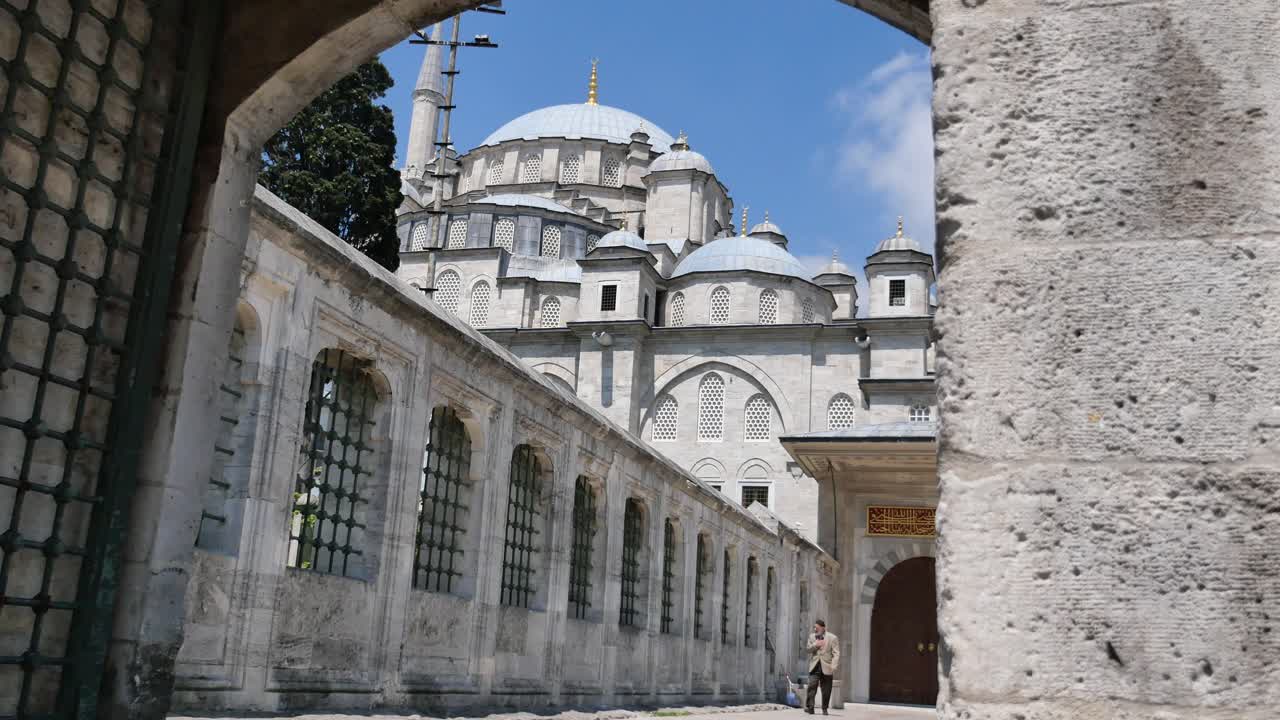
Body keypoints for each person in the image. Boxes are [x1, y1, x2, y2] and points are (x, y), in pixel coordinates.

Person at [804, 619, 840, 715]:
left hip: (827, 666)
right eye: (814, 627)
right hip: (814, 666)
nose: (815, 629)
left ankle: (824, 708)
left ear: (823, 628)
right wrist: (815, 645)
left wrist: (834, 665)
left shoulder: (832, 638)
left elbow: (836, 653)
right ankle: (810, 707)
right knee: (812, 686)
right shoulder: (812, 637)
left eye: (817, 627)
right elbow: (808, 650)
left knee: (826, 689)